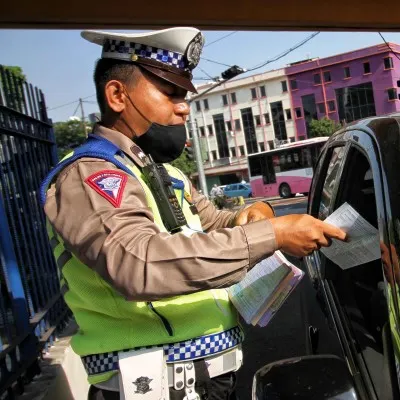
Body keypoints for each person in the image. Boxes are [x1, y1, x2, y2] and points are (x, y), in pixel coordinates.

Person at [39, 27, 346, 400]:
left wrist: (256, 213)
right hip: (155, 384)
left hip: (207, 378)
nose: (183, 106)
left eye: (183, 95)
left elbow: (214, 222)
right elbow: (139, 262)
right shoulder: (90, 176)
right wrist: (275, 234)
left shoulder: (165, 172)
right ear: (117, 95)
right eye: (169, 93)